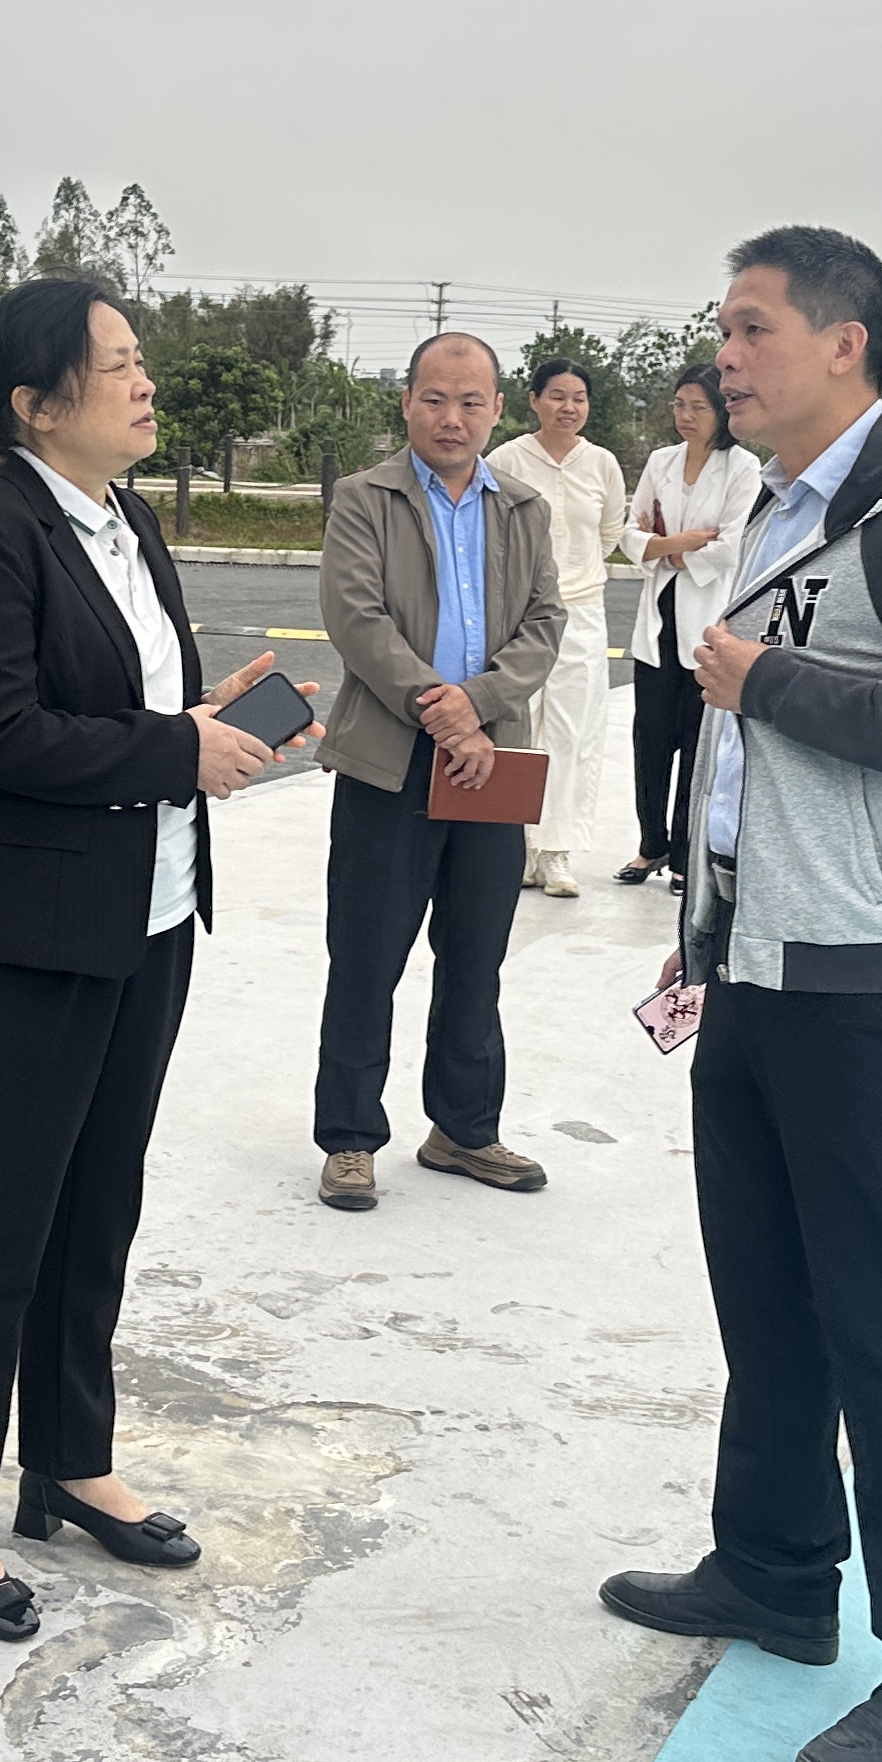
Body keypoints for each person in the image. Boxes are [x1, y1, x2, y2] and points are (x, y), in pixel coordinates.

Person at [599, 225, 882, 1762]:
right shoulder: (786, 500)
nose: (726, 355)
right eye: (723, 328)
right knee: (768, 1292)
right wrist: (706, 930)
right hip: (762, 961)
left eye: (754, 328)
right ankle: (777, 1568)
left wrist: (769, 686)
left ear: (845, 344)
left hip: (875, 979)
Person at [0, 282, 314, 1639]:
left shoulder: (130, 522)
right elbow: (1, 733)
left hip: (149, 920)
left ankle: (70, 1460)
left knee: (93, 1213)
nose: (145, 383)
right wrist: (173, 747)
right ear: (36, 403)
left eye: (139, 361)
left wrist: (202, 718)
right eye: (117, 364)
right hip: (20, 940)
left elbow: (119, 709)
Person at [307, 331, 567, 1212]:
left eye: (470, 402)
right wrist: (440, 707)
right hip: (390, 759)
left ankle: (463, 1129)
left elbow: (545, 622)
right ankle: (349, 1137)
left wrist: (478, 705)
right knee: (367, 953)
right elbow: (356, 617)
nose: (451, 417)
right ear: (407, 402)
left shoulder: (523, 508)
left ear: (498, 410)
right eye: (434, 399)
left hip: (491, 758)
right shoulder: (364, 498)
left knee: (476, 953)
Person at [487, 357, 634, 897]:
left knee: (573, 731)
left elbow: (609, 532)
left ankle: (556, 852)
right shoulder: (506, 459)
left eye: (578, 398)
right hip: (518, 613)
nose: (568, 408)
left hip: (582, 611)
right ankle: (518, 847)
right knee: (519, 725)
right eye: (557, 396)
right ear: (534, 400)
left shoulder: (602, 464)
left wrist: (574, 577)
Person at [621, 364, 757, 886]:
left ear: (721, 410)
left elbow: (731, 546)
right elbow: (630, 535)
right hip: (658, 623)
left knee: (698, 748)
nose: (686, 415)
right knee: (650, 743)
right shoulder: (661, 461)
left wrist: (664, 550)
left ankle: (683, 857)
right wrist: (681, 543)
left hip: (707, 628)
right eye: (680, 404)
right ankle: (650, 847)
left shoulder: (742, 467)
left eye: (699, 406)